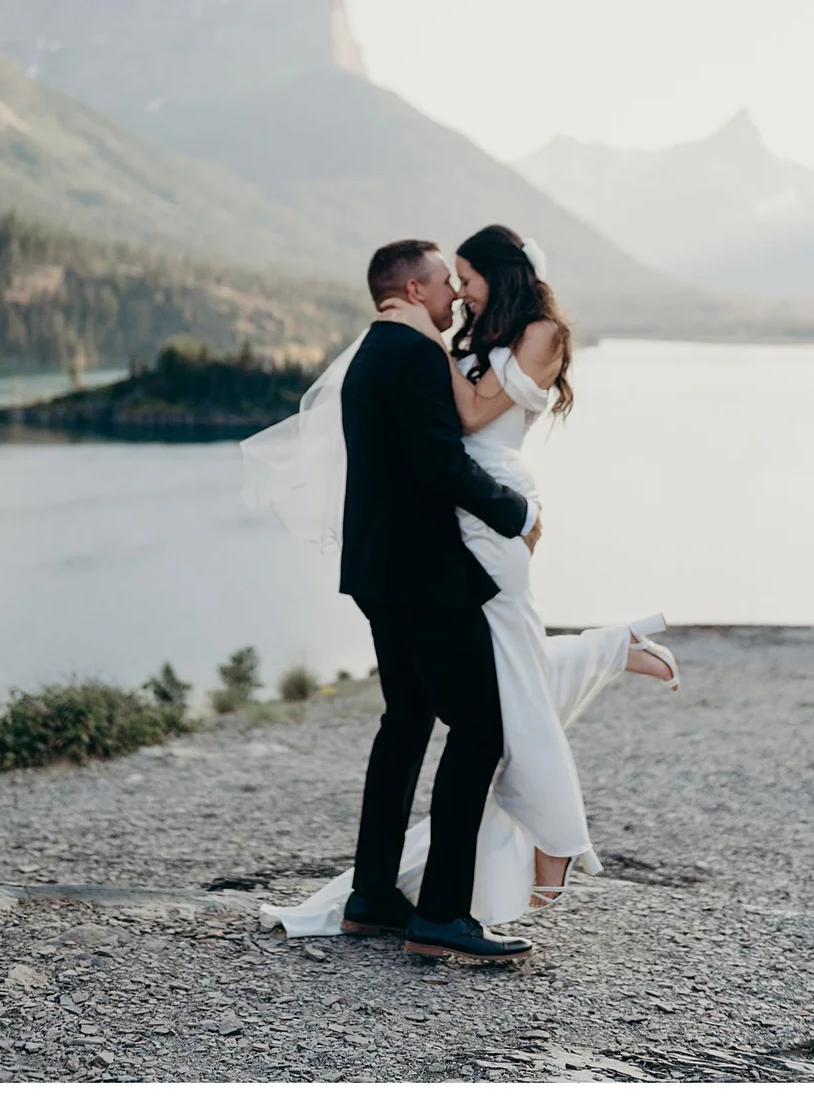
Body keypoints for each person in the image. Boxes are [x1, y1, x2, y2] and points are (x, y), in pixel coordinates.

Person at [244, 227, 678, 959]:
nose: (454, 295)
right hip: (425, 576)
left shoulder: (377, 352)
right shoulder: (415, 353)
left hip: (378, 570)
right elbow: (441, 462)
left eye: (464, 280)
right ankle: (443, 914)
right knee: (480, 728)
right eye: (447, 281)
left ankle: (374, 894)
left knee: (406, 724)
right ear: (414, 289)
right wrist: (520, 512)